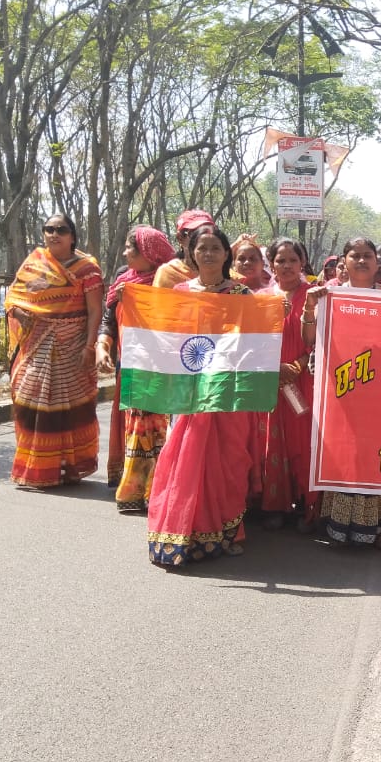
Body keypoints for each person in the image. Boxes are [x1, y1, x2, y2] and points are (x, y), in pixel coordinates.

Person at [147, 225, 257, 567]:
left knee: (228, 457)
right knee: (182, 455)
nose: (208, 253)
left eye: (214, 248)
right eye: (201, 247)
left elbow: (253, 344)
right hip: (187, 387)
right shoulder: (179, 292)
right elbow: (166, 337)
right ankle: (182, 529)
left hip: (226, 388)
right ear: (191, 253)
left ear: (226, 254)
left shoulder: (241, 295)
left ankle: (228, 530)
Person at [303, 238, 381, 549]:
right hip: (341, 389)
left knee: (374, 455)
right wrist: (309, 307)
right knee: (346, 454)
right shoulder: (329, 296)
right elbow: (310, 339)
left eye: (367, 255)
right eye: (354, 256)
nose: (361, 261)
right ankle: (340, 524)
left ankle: (380, 526)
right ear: (343, 262)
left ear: (376, 262)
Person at [5, 212, 104, 488]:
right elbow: (14, 296)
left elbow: (95, 310)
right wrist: (18, 312)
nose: (53, 234)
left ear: (72, 236)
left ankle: (66, 468)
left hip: (72, 344)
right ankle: (37, 467)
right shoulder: (34, 264)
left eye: (60, 229)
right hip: (36, 342)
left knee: (69, 408)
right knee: (28, 398)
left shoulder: (87, 269)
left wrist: (90, 346)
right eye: (48, 229)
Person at [95, 226, 176, 510]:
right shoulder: (123, 278)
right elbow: (109, 318)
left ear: (149, 254)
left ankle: (155, 486)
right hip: (128, 362)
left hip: (162, 365)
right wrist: (102, 346)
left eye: (131, 248)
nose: (125, 252)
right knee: (135, 422)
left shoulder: (171, 282)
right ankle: (134, 483)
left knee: (155, 425)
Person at [261, 236, 316, 531]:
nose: (286, 266)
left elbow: (323, 336)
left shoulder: (315, 295)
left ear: (302, 262)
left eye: (292, 260)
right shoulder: (261, 297)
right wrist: (273, 368)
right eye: (280, 260)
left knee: (302, 440)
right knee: (272, 442)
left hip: (303, 379)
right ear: (271, 264)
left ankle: (308, 505)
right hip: (270, 380)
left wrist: (300, 362)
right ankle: (275, 505)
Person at [152, 209, 212, 288]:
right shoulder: (169, 274)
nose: (204, 239)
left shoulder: (225, 274)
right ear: (180, 238)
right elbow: (159, 300)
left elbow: (232, 295)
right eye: (196, 234)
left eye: (210, 233)